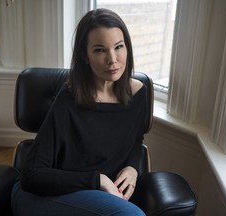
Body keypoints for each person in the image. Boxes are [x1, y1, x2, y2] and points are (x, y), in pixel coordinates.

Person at [11, 8, 147, 216]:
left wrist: (132, 167)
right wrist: (98, 180)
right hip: (43, 196)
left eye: (119, 47)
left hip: (95, 197)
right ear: (85, 55)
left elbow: (136, 139)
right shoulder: (69, 99)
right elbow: (31, 176)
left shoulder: (137, 94)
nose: (112, 59)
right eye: (100, 50)